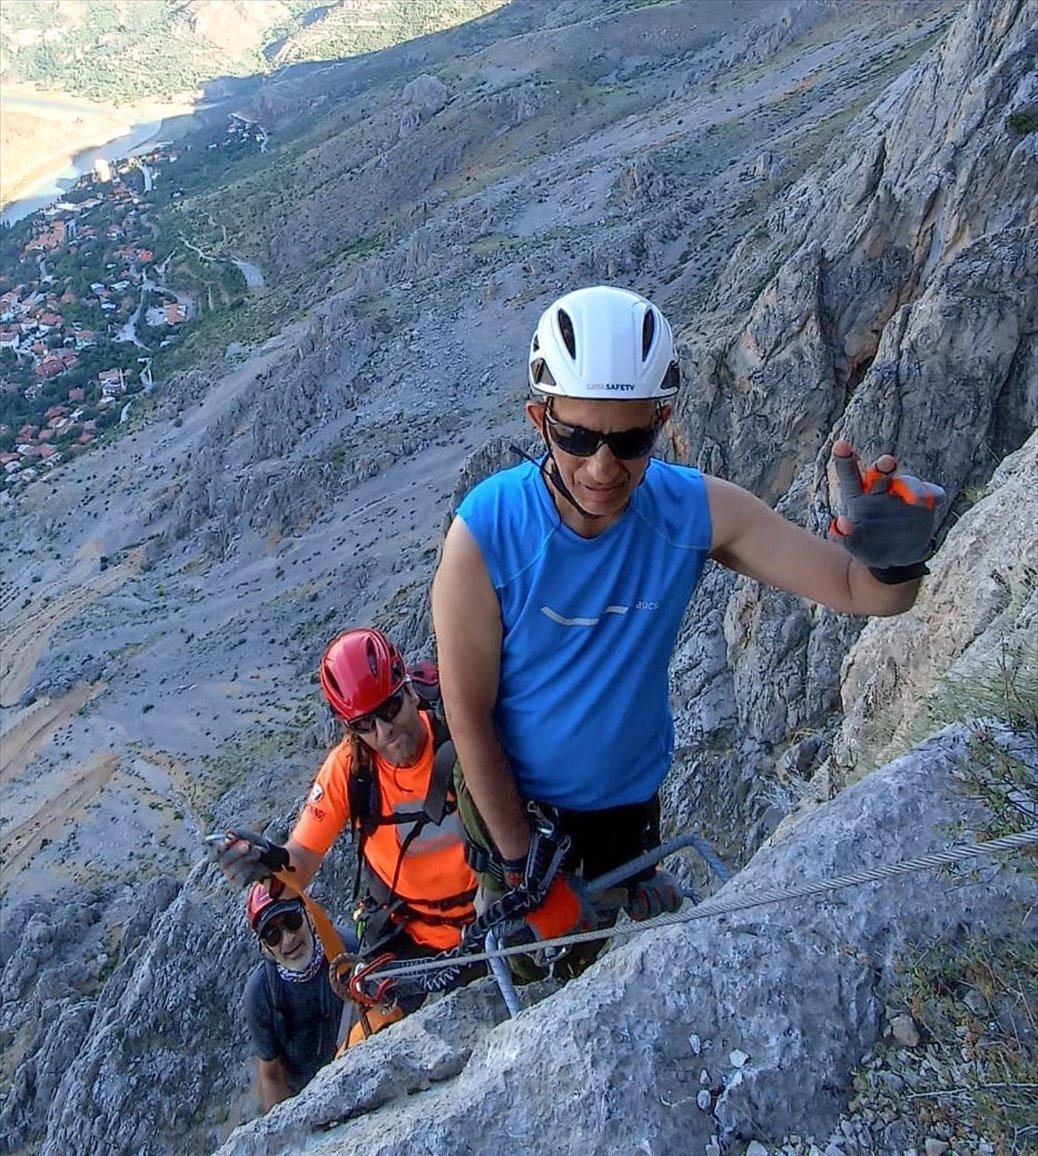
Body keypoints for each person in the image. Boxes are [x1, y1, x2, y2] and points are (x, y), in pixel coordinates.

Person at [431, 284, 944, 962]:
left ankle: (628, 889)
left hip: (629, 808)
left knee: (603, 943)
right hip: (521, 816)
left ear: (662, 421)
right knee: (534, 970)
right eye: (576, 436)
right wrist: (525, 869)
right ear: (538, 419)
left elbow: (858, 591)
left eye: (630, 438)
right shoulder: (488, 533)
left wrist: (895, 562)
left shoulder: (694, 512)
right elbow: (467, 716)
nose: (602, 466)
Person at [216, 628, 481, 1039]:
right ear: (350, 728)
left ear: (408, 689)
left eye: (391, 708)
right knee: (357, 1047)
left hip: (491, 915)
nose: (384, 732)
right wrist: (269, 864)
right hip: (412, 940)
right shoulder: (350, 771)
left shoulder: (459, 729)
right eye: (364, 724)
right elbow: (298, 863)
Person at [242, 880, 355, 1112]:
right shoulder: (261, 994)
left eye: (292, 922)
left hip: (357, 1073)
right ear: (265, 948)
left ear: (309, 916)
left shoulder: (347, 952)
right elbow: (271, 1075)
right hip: (302, 1099)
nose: (288, 939)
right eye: (273, 936)